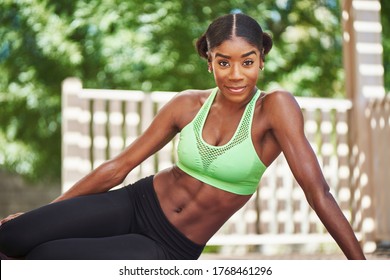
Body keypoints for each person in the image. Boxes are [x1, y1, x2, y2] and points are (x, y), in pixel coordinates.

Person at [0, 13, 365, 260]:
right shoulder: (187, 105)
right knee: (14, 235)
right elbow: (119, 167)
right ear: (209, 61)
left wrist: (361, 268)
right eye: (224, 62)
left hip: (169, 246)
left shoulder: (275, 108)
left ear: (262, 61)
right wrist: (47, 213)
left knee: (45, 258)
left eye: (247, 61)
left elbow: (318, 192)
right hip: (135, 202)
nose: (236, 74)